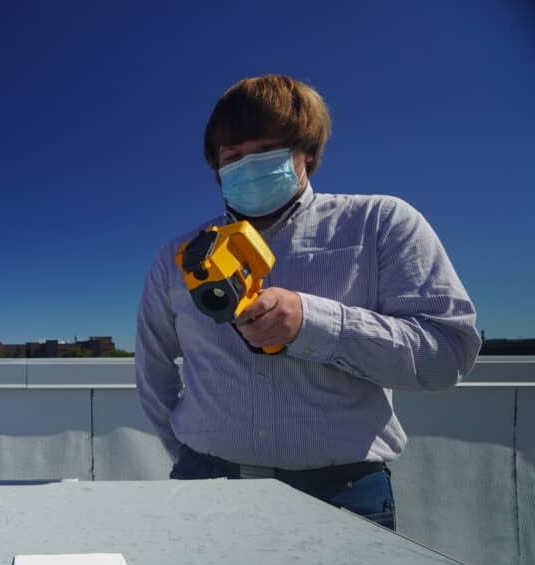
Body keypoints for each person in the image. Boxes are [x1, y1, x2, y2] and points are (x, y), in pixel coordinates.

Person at [135, 75, 480, 530]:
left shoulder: (380, 224)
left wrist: (313, 324)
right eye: (232, 157)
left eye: (264, 152)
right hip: (205, 484)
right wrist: (190, 455)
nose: (247, 164)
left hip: (344, 496)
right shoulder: (177, 258)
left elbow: (448, 353)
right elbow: (153, 371)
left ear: (308, 152)